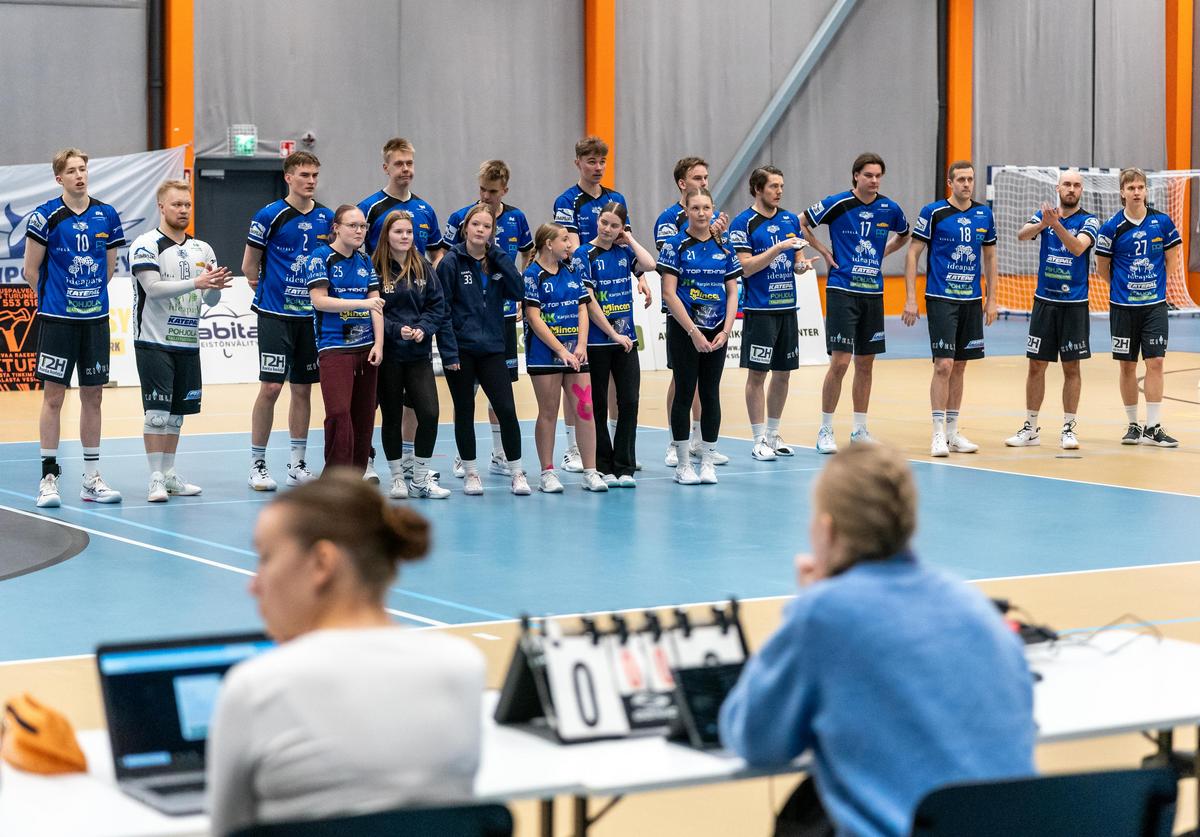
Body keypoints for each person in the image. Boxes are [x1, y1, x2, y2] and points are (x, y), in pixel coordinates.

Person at [718, 444, 1036, 837]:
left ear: (827, 529)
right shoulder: (975, 607)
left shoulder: (822, 613)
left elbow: (755, 738)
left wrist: (809, 603)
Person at [207, 470, 486, 836]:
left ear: (322, 563)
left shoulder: (257, 687)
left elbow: (227, 827)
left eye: (266, 557)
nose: (254, 584)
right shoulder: (462, 668)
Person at [25, 147, 126, 507]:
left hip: (94, 321)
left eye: (83, 169)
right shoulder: (45, 216)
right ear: (59, 178)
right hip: (58, 321)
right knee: (54, 397)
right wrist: (55, 302)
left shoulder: (106, 215)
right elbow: (30, 270)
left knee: (93, 396)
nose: (79, 175)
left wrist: (87, 297)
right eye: (71, 171)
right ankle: (48, 478)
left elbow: (109, 268)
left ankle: (91, 479)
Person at [129, 180, 232, 502]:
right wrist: (197, 282)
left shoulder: (203, 249)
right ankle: (155, 479)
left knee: (176, 416)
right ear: (161, 207)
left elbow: (210, 300)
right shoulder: (146, 244)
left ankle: (169, 474)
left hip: (187, 342)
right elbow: (153, 289)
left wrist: (213, 287)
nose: (184, 210)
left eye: (187, 204)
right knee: (157, 414)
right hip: (153, 340)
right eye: (176, 204)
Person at [803, 153, 911, 453]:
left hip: (873, 294)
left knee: (865, 363)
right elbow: (800, 222)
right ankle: (825, 429)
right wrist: (823, 250)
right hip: (842, 290)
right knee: (840, 362)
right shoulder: (838, 203)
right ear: (856, 176)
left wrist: (883, 252)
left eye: (878, 176)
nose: (874, 181)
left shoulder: (889, 208)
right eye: (868, 175)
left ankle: (859, 430)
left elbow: (904, 234)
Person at [242, 151, 333, 490]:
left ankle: (297, 463)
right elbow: (249, 265)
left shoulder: (327, 217)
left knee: (302, 389)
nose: (311, 181)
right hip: (275, 315)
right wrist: (263, 283)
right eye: (304, 175)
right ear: (289, 177)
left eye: (315, 175)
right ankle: (257, 464)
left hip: (310, 317)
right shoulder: (270, 215)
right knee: (271, 387)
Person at [358, 137, 446, 483]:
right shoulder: (370, 208)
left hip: (417, 313)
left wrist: (427, 285)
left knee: (416, 405)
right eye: (399, 164)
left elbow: (437, 251)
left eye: (409, 163)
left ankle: (409, 461)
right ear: (386, 167)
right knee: (376, 403)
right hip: (381, 321)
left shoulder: (425, 209)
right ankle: (366, 459)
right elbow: (356, 253)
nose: (405, 169)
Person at [443, 160, 534, 477]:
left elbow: (527, 254)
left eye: (492, 191)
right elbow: (447, 258)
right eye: (482, 189)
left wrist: (519, 295)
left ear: (504, 190)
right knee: (465, 397)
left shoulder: (517, 218)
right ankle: (463, 457)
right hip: (466, 327)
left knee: (501, 395)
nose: (486, 196)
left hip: (501, 321)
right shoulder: (461, 217)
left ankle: (500, 454)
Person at [903, 161, 997, 457]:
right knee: (943, 364)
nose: (967, 184)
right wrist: (910, 298)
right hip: (940, 297)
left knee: (961, 365)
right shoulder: (933, 213)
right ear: (950, 182)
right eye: (961, 179)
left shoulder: (984, 214)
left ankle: (954, 433)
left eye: (970, 179)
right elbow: (912, 253)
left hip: (971, 300)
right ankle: (937, 433)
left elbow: (990, 258)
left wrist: (991, 298)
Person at [552, 136, 632, 473]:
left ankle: (614, 451)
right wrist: (589, 267)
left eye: (602, 162)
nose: (597, 167)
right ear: (578, 163)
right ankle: (573, 447)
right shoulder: (567, 201)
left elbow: (625, 243)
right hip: (579, 286)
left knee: (617, 386)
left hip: (613, 282)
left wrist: (640, 277)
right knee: (578, 371)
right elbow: (571, 248)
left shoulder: (616, 199)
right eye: (591, 162)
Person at [1007, 169, 1099, 450]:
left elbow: (1078, 248)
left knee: (1072, 367)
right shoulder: (1043, 215)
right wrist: (1042, 224)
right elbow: (1022, 234)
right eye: (1067, 184)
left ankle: (1069, 428)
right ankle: (1030, 428)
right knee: (1036, 365)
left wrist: (1054, 225)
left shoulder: (1089, 221)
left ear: (1081, 190)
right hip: (1044, 302)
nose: (1071, 189)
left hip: (1074, 304)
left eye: (1076, 185)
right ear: (1058, 188)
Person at [657, 187, 741, 485]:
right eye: (695, 208)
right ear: (687, 211)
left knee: (710, 393)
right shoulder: (675, 245)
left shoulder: (724, 245)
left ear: (713, 210)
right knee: (684, 391)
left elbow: (732, 292)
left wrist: (726, 330)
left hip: (717, 331)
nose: (702, 213)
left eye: (707, 208)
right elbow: (668, 293)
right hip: (685, 331)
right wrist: (692, 332)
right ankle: (683, 464)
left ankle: (707, 461)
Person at [1095, 167, 1182, 447]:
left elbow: (1172, 259)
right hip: (1123, 307)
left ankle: (1153, 427)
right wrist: (1122, 286)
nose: (1136, 192)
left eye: (1140, 187)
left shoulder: (1162, 222)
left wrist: (1156, 285)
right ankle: (1133, 425)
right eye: (1131, 188)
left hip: (1154, 306)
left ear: (1146, 190)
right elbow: (1101, 267)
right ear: (1122, 192)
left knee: (1156, 362)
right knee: (1127, 365)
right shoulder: (1111, 227)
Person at [729, 166, 811, 460]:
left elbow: (797, 259)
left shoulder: (790, 220)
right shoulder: (743, 223)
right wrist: (778, 248)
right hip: (760, 310)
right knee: (757, 374)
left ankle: (774, 434)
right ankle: (758, 439)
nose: (779, 191)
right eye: (774, 186)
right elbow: (746, 267)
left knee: (783, 374)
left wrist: (801, 266)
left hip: (787, 308)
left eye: (781, 186)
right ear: (757, 189)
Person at [523, 223, 608, 493]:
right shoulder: (532, 275)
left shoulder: (572, 270)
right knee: (548, 411)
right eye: (564, 240)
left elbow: (583, 308)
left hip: (576, 353)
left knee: (585, 408)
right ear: (549, 244)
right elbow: (534, 318)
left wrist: (581, 344)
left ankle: (590, 471)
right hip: (545, 354)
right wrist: (560, 350)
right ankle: (547, 472)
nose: (570, 245)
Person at [577, 202, 656, 485]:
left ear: (622, 228)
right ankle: (603, 465)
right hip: (598, 342)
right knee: (598, 403)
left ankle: (625, 466)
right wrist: (612, 333)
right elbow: (589, 302)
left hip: (626, 341)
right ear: (597, 221)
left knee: (629, 401)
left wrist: (630, 239)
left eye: (614, 225)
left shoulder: (624, 252)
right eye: (604, 223)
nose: (607, 229)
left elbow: (650, 264)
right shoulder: (584, 254)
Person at [374, 210, 449, 499]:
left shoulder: (423, 267)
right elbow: (373, 310)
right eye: (398, 232)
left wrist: (423, 328)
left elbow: (437, 306)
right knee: (392, 416)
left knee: (429, 413)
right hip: (390, 355)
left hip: (418, 355)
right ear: (387, 235)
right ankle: (396, 478)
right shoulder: (375, 268)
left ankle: (419, 479)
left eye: (408, 232)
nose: (405, 236)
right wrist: (396, 330)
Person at [305, 205, 383, 472]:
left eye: (363, 226)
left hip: (366, 347)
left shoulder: (365, 260)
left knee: (364, 416)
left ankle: (356, 477)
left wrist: (379, 344)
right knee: (339, 412)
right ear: (336, 228)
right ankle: (334, 478)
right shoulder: (320, 257)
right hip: (334, 347)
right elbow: (319, 301)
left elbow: (377, 306)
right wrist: (361, 304)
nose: (359, 231)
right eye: (353, 225)